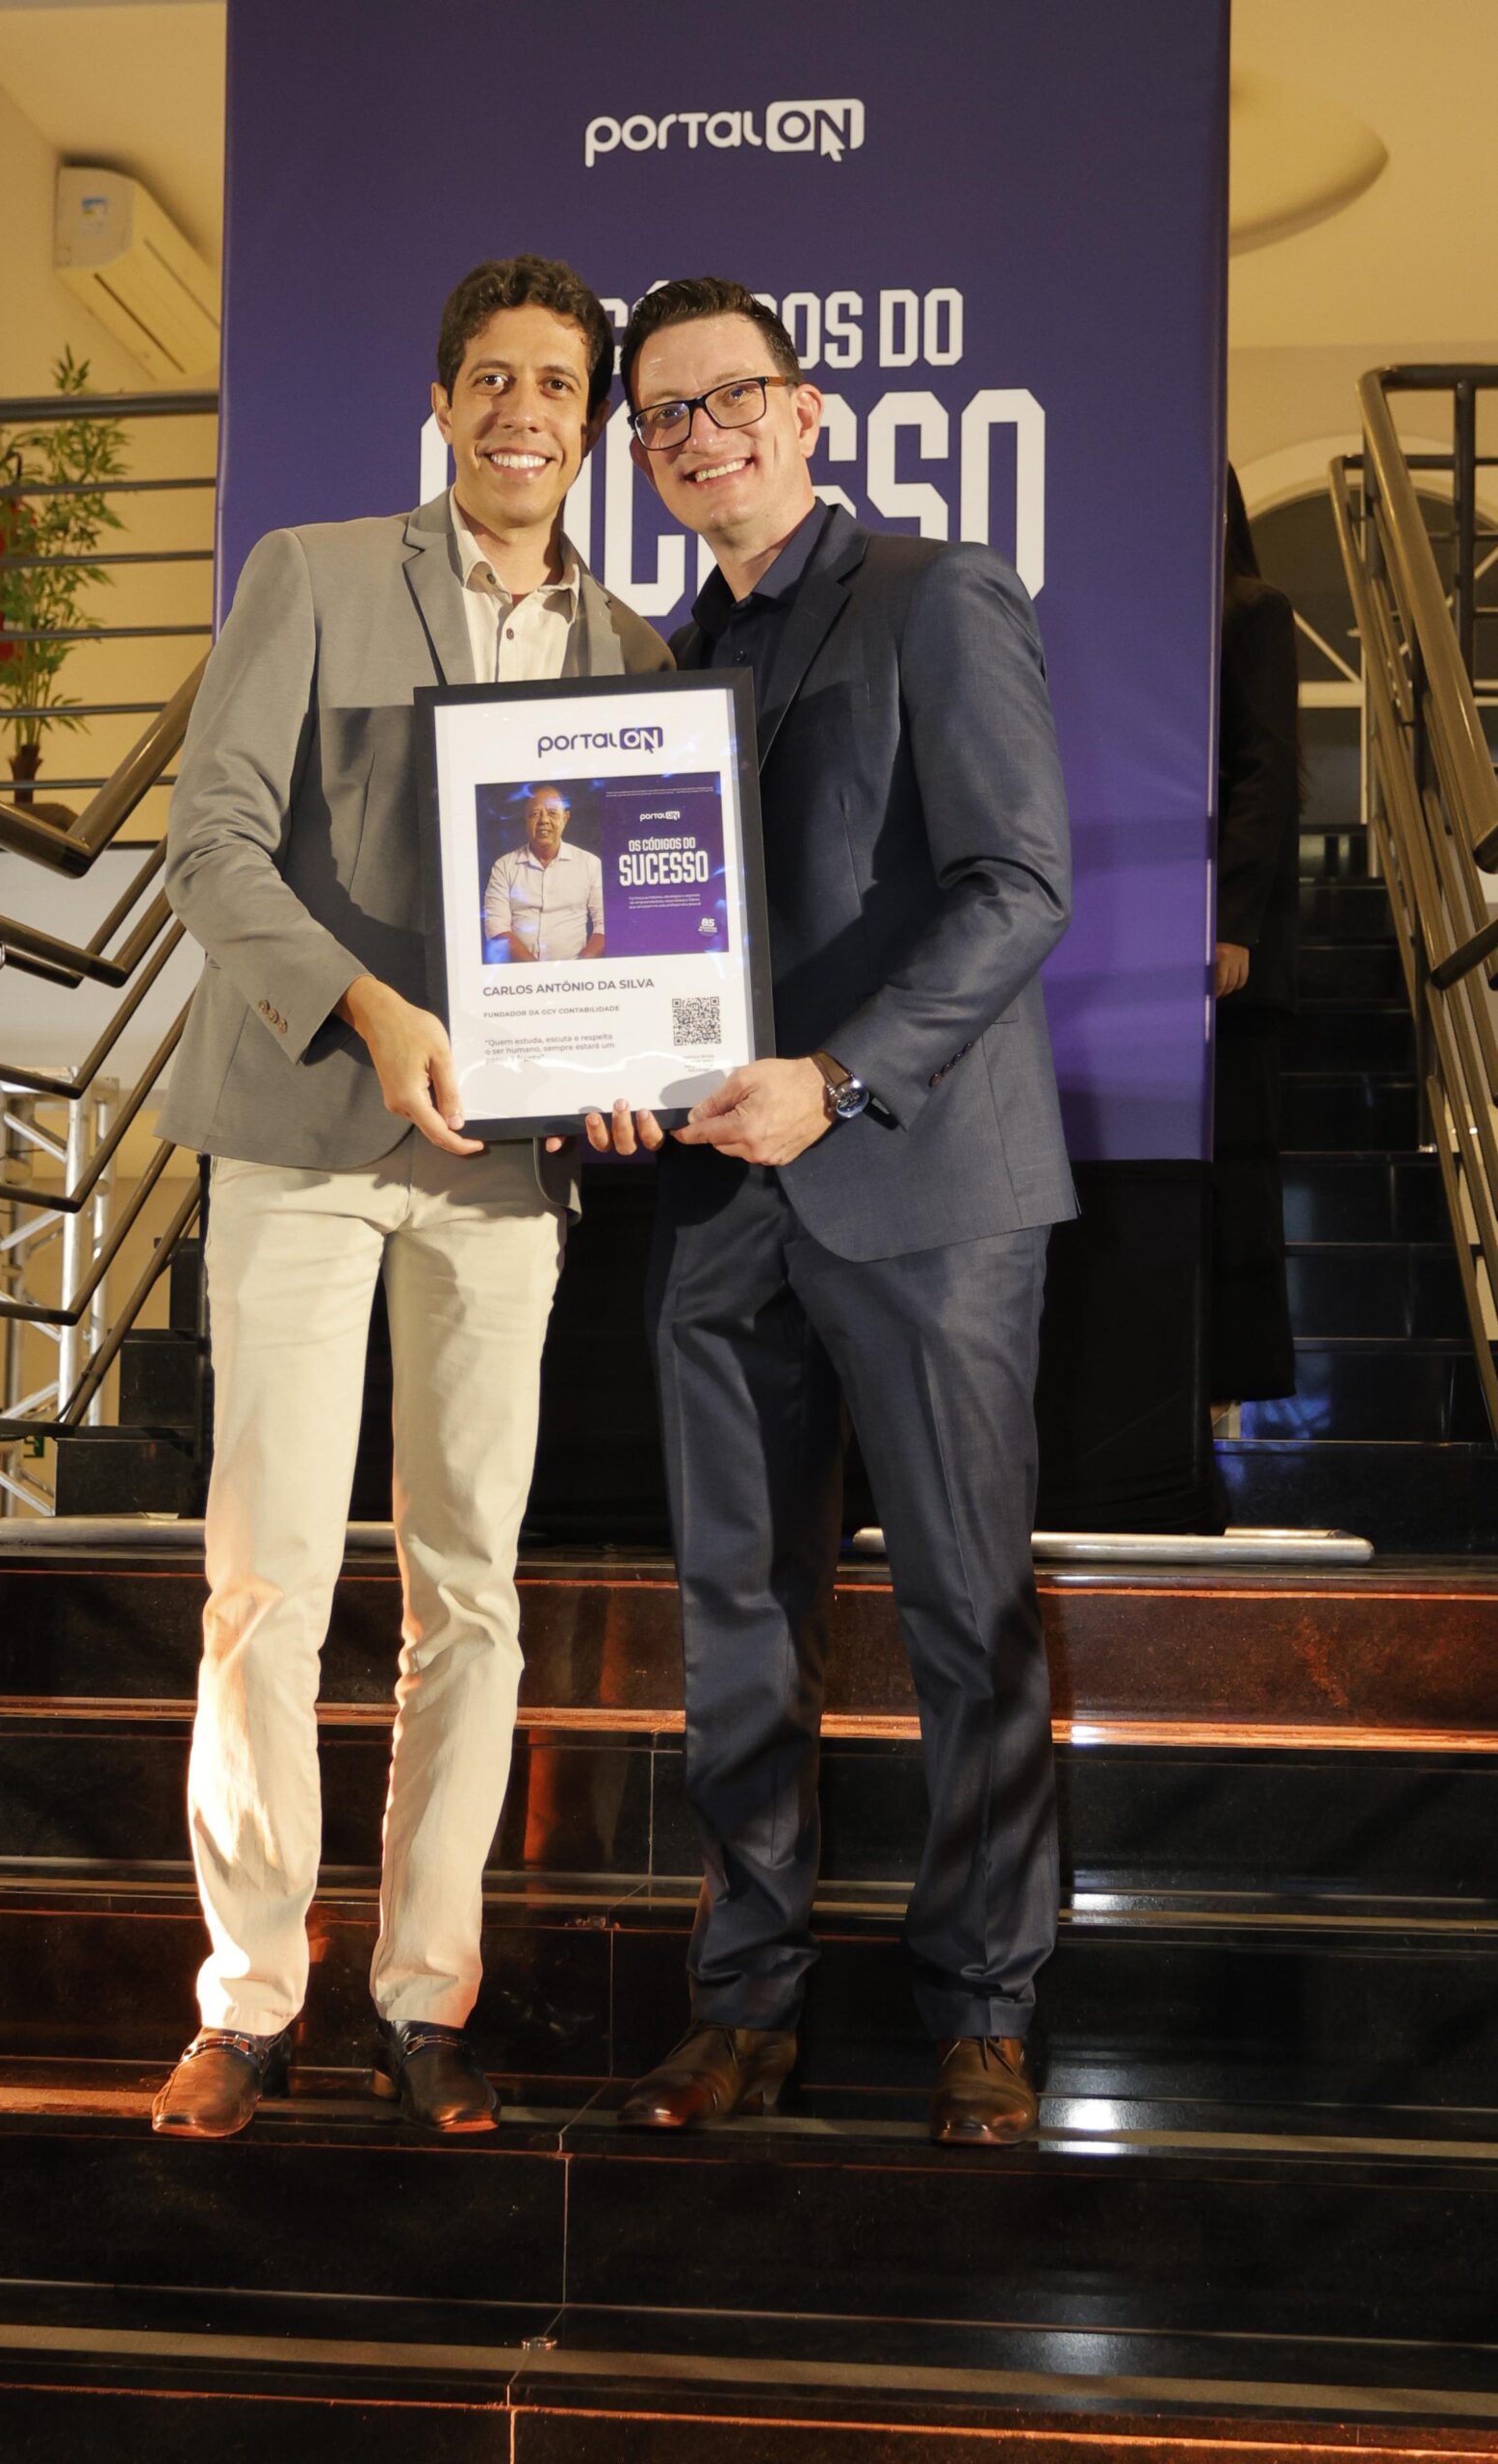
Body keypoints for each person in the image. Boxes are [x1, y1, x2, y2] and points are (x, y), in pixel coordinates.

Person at [148, 255, 670, 2141]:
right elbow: (210, 842)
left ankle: (422, 1998)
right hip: (303, 1131)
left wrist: (630, 1060)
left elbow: (637, 930)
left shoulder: (635, 659)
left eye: (557, 383)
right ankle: (249, 2001)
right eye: (490, 378)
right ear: (443, 404)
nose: (522, 410)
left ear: (590, 424)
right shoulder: (309, 573)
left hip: (505, 1169)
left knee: (470, 1586)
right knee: (267, 1579)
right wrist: (367, 1007)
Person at [596, 275, 1075, 2148]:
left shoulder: (931, 594)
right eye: (662, 414)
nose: (697, 434)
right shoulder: (651, 666)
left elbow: (1015, 882)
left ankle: (983, 2013)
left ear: (805, 413)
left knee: (965, 1609)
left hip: (924, 1183)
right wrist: (605, 1064)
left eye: (728, 397)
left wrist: (842, 1074)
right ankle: (743, 2003)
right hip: (716, 1196)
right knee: (735, 1618)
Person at [1212, 466, 1302, 1412]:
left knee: (1238, 1167)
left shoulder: (1253, 608)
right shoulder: (1151, 620)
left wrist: (1230, 919)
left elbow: (1268, 770)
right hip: (1170, 940)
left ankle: (1235, 1387)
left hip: (1234, 950)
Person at [484, 786, 605, 961]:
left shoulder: (590, 864)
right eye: (535, 814)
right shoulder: (504, 867)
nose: (544, 821)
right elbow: (496, 926)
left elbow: (605, 925)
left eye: (552, 813)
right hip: (520, 973)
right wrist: (536, 972)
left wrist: (577, 969)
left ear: (565, 818)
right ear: (526, 820)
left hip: (575, 971)